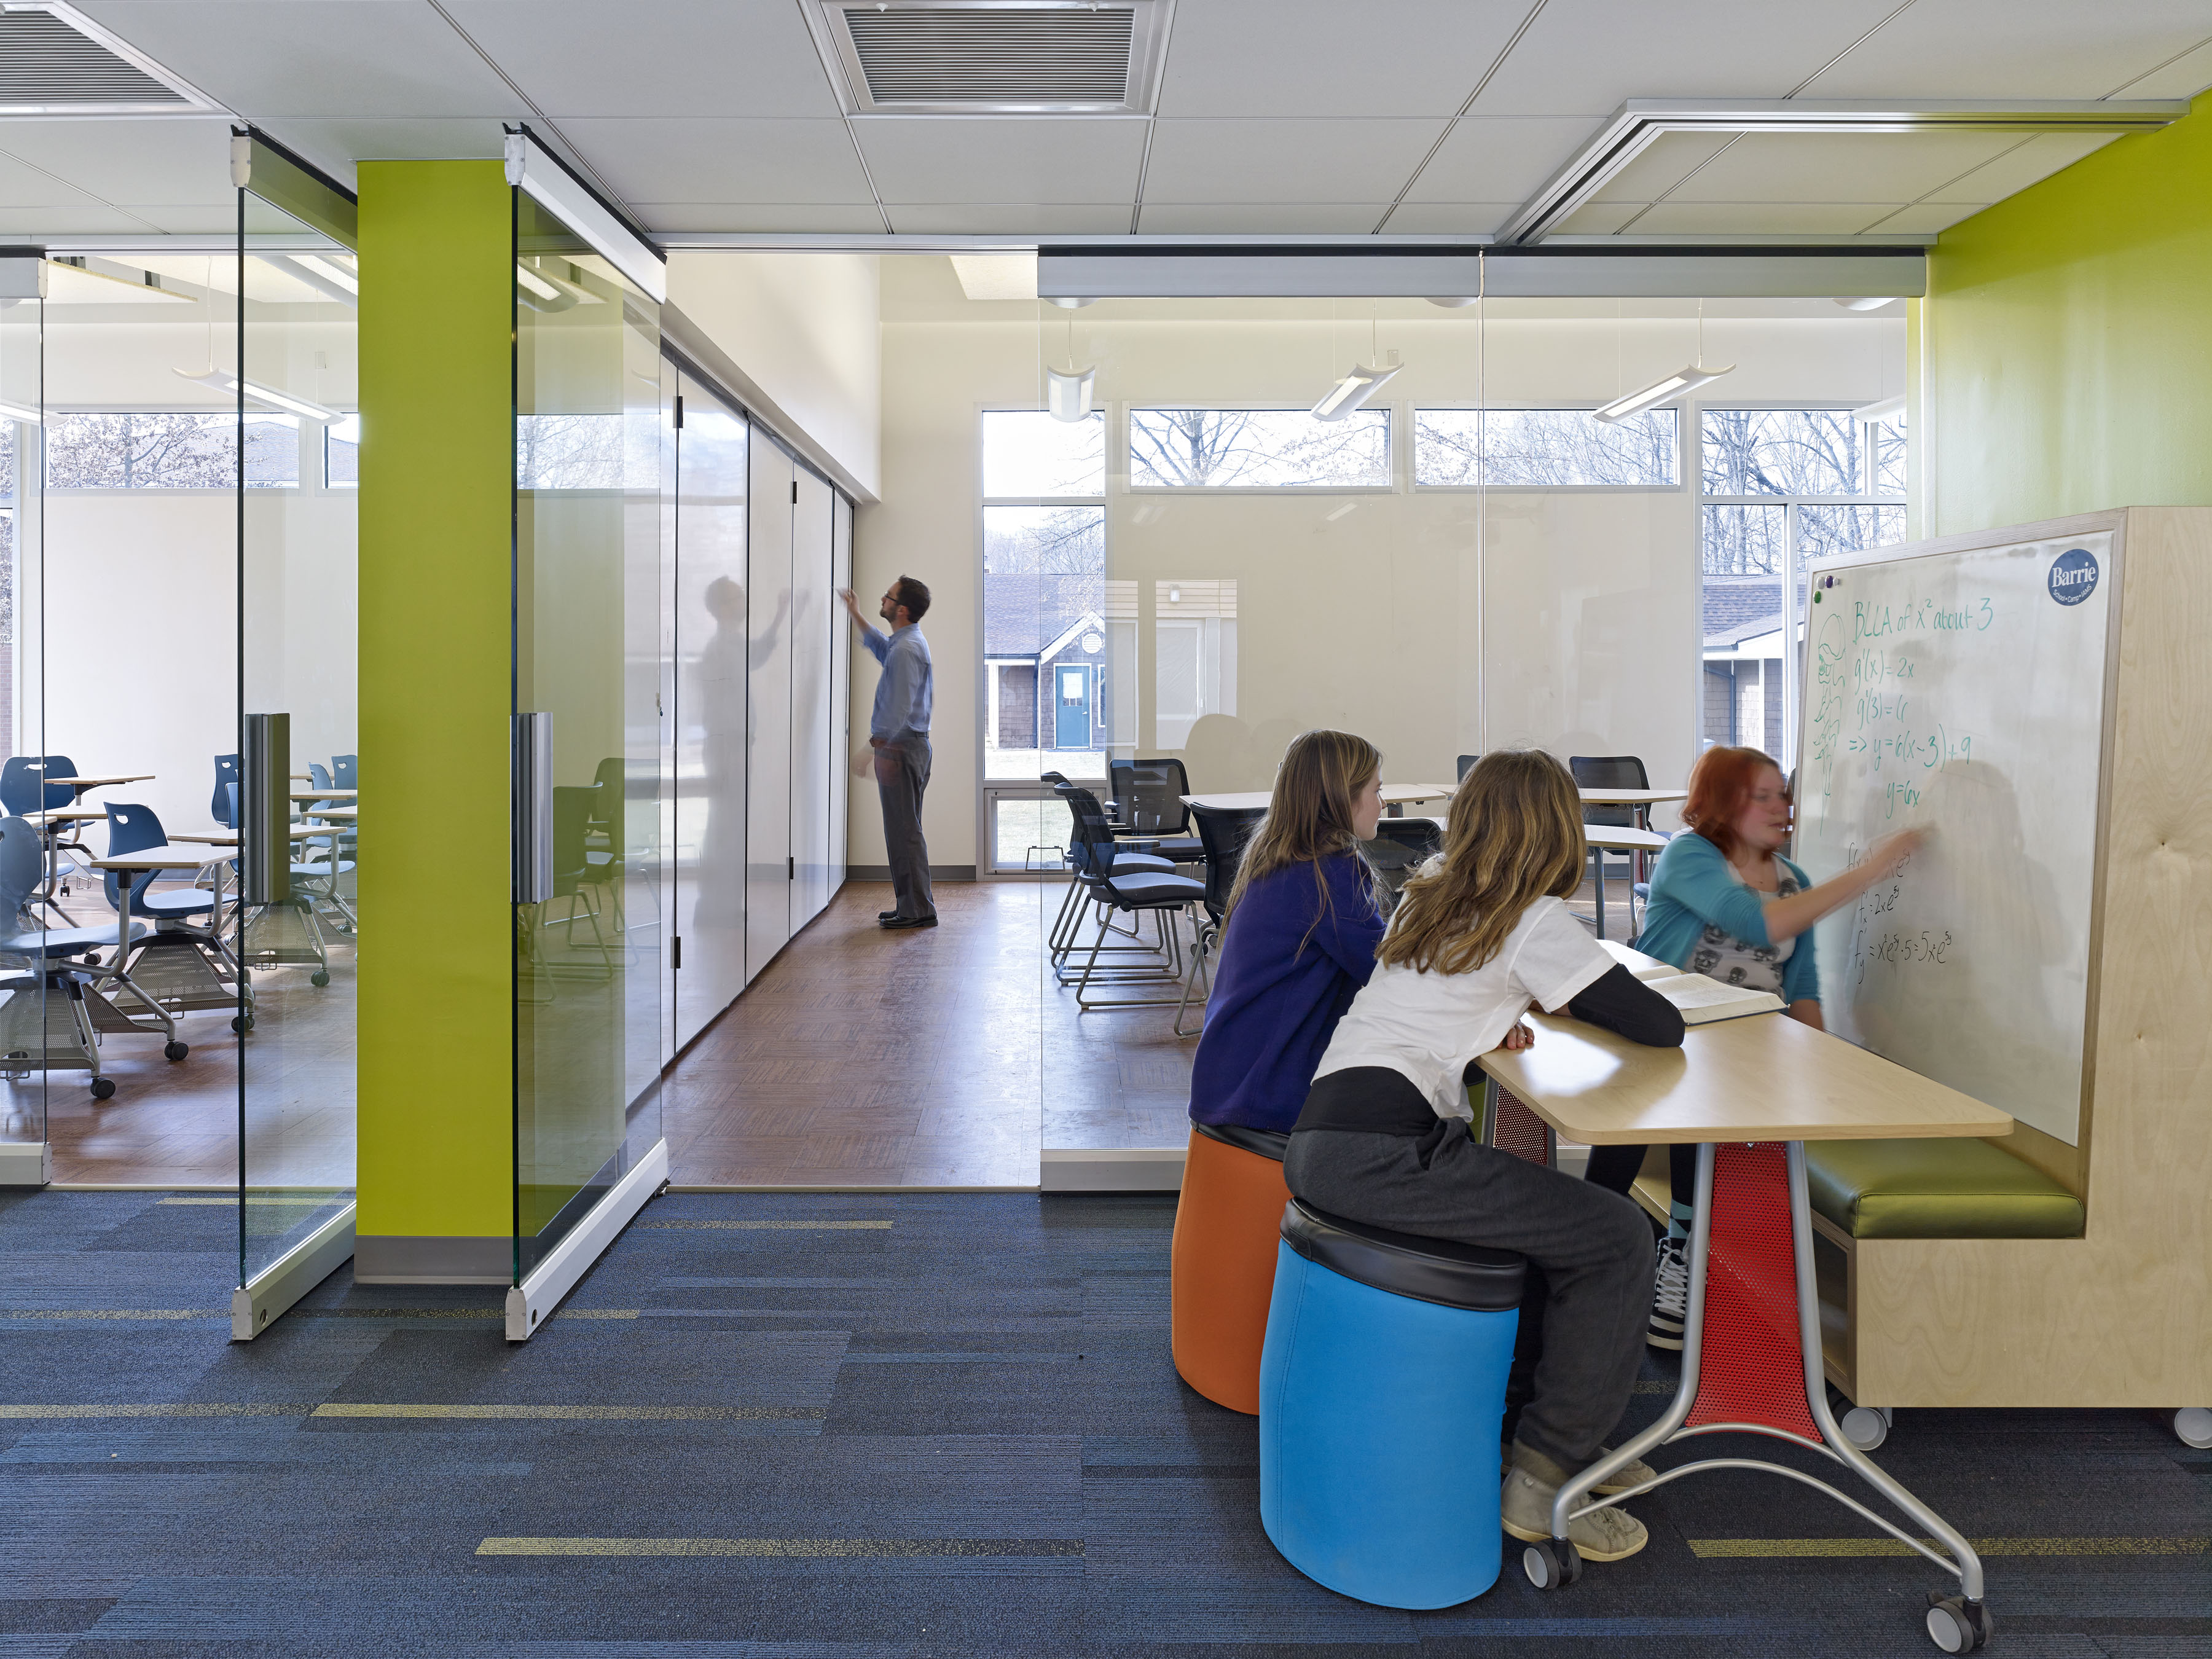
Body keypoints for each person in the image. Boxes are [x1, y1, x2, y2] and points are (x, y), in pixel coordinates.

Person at [1284, 750, 1686, 1566]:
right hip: (1388, 1154)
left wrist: (1487, 1028)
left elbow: (1430, 1011)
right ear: (1554, 832)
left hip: (1328, 1135)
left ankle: (1552, 1431)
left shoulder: (1425, 895)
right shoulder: (1532, 919)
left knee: (1554, 1222)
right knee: (1616, 1238)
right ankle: (1545, 1479)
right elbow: (1657, 1026)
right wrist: (1552, 990)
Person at [1588, 745, 1928, 1349]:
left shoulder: (1793, 881)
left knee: (1719, 1105)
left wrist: (1822, 1075)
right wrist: (1872, 870)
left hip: (1741, 1055)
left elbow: (1800, 986)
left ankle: (1685, 1253)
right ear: (1724, 804)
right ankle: (1588, 1257)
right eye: (1762, 796)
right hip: (1659, 1038)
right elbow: (1755, 923)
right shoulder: (1688, 856)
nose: (1781, 807)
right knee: (1664, 1115)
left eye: (1782, 795)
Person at [1187, 731, 1387, 1135]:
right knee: (1420, 1113)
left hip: (1230, 1081)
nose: (1383, 804)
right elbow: (1389, 975)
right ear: (1340, 796)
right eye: (1377, 791)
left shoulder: (1279, 858)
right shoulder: (1328, 873)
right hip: (1264, 1094)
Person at [840, 576, 936, 930]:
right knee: (903, 830)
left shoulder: (908, 649)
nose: (883, 597)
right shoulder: (903, 644)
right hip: (903, 747)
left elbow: (896, 710)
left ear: (902, 609)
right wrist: (856, 614)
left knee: (904, 831)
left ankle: (917, 910)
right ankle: (912, 905)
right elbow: (882, 648)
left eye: (889, 596)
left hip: (901, 748)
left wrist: (869, 750)